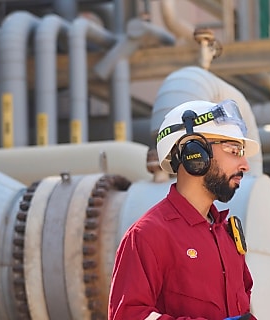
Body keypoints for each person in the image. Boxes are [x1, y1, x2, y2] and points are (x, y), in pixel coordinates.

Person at [108, 100, 260, 320]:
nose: (245, 164)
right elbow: (128, 316)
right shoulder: (148, 235)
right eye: (234, 150)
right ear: (195, 153)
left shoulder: (227, 235)